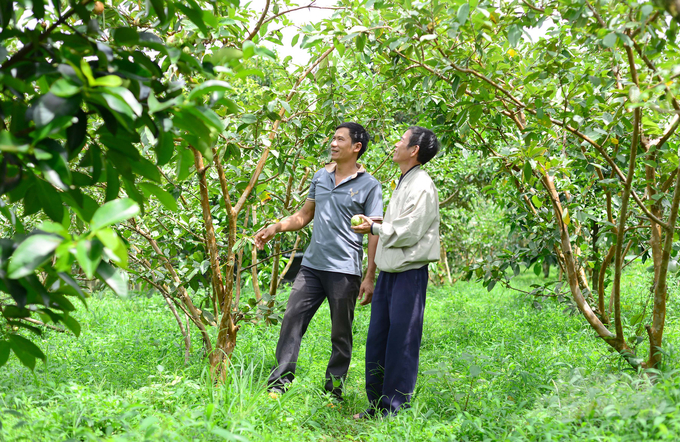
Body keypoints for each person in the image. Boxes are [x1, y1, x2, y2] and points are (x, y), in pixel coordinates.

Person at [254, 122, 383, 399]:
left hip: (345, 271)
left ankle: (333, 392)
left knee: (341, 334)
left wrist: (369, 275)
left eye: (339, 139)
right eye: (333, 139)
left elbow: (375, 233)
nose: (333, 144)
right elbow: (303, 216)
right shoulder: (320, 177)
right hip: (311, 267)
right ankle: (278, 384)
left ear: (356, 147)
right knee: (292, 321)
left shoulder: (370, 186)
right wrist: (275, 227)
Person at [350, 126, 440, 417]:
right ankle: (376, 404)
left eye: (401, 140)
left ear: (414, 150)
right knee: (378, 339)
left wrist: (374, 226)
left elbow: (409, 232)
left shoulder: (422, 184)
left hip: (409, 275)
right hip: (390, 274)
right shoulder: (404, 181)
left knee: (402, 341)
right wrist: (372, 273)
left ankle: (395, 408)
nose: (395, 144)